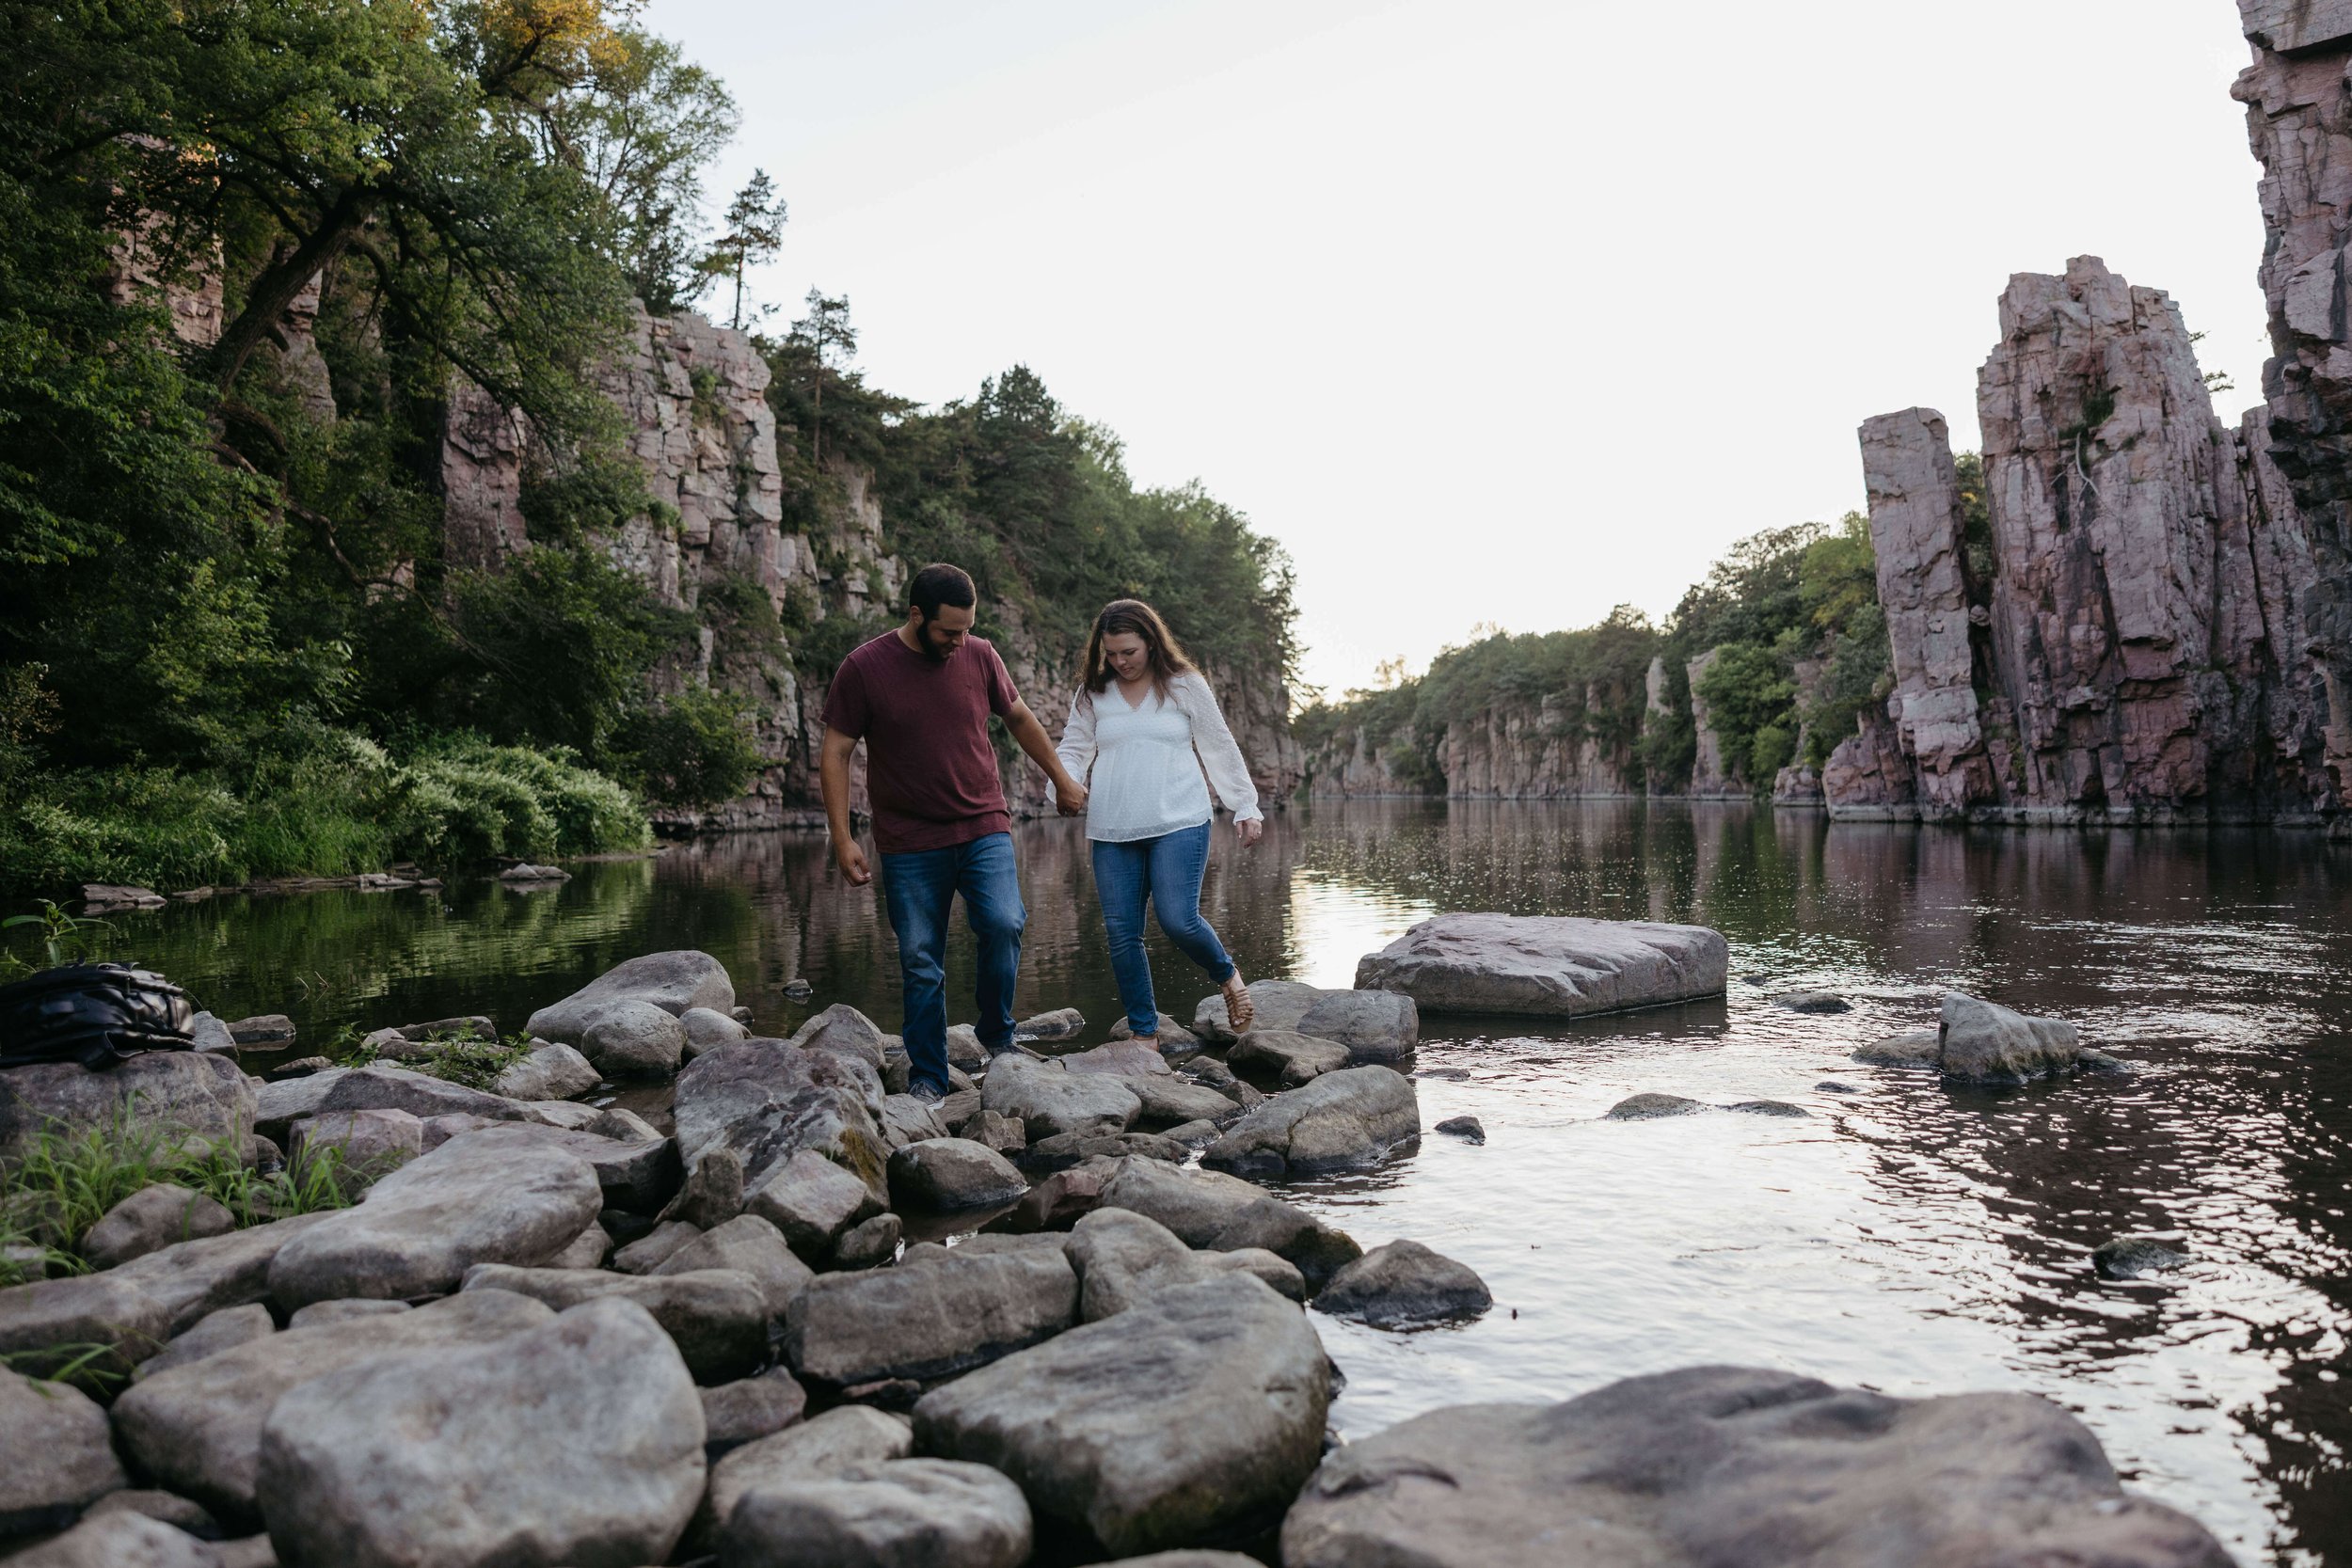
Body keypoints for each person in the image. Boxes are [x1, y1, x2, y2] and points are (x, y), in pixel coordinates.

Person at [819, 563, 1088, 1101]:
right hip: (909, 840)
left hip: (982, 822)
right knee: (921, 959)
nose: (959, 641)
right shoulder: (865, 668)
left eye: (966, 629)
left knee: (1005, 922)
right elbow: (836, 750)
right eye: (948, 632)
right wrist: (844, 837)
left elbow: (1017, 717)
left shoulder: (980, 654)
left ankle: (997, 1033)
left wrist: (1060, 777)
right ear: (916, 615)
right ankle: (928, 1078)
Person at [1055, 598, 1263, 1042]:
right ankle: (1145, 1035)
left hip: (1180, 819)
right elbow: (1074, 747)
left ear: (1150, 641)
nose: (1119, 661)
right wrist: (1064, 783)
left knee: (1178, 919)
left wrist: (1244, 804)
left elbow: (1218, 744)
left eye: (1128, 651)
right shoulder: (1093, 692)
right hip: (1113, 827)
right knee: (1122, 934)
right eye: (1110, 653)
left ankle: (1227, 976)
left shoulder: (1183, 684)